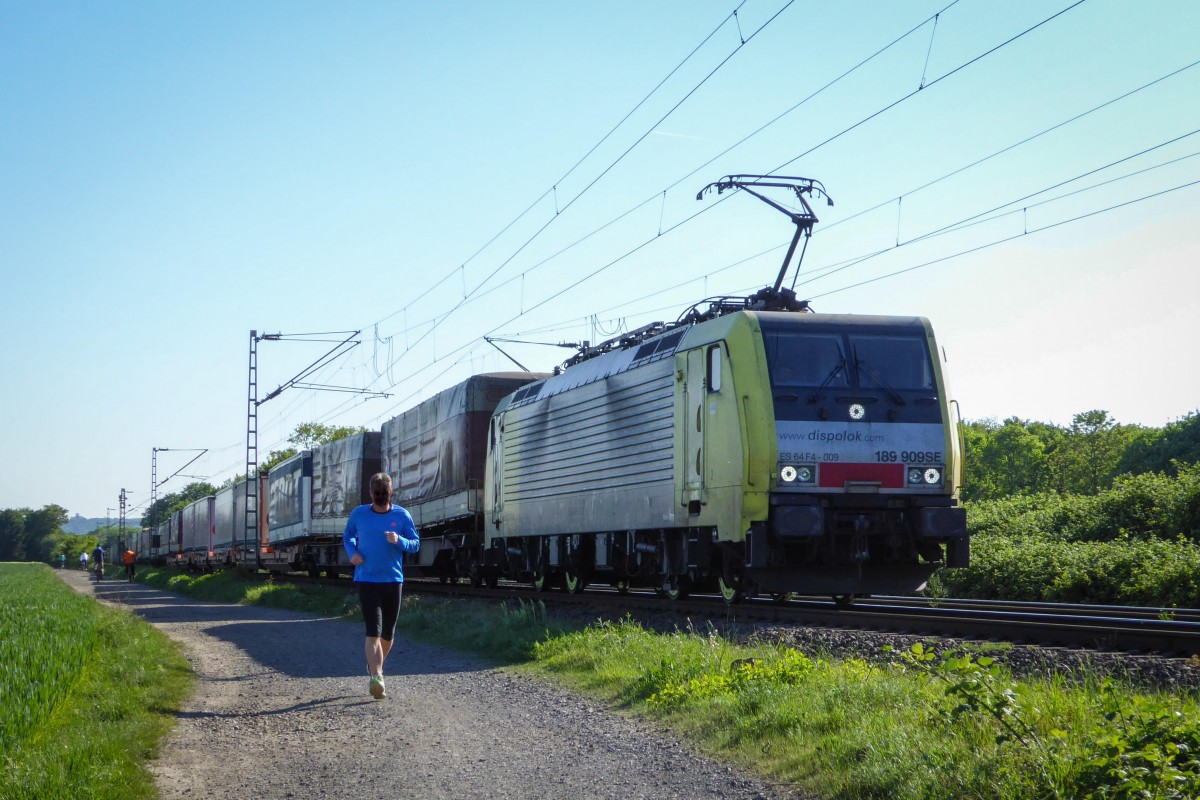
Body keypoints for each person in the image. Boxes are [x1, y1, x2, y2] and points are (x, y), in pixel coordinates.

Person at [342, 472, 420, 700]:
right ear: (370, 493)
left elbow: (415, 544)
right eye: (377, 494)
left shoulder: (402, 515)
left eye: (384, 493)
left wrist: (400, 540)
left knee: (388, 633)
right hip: (367, 580)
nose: (381, 496)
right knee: (373, 632)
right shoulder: (360, 514)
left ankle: (374, 665)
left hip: (393, 580)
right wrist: (352, 553)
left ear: (391, 492)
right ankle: (376, 677)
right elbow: (347, 536)